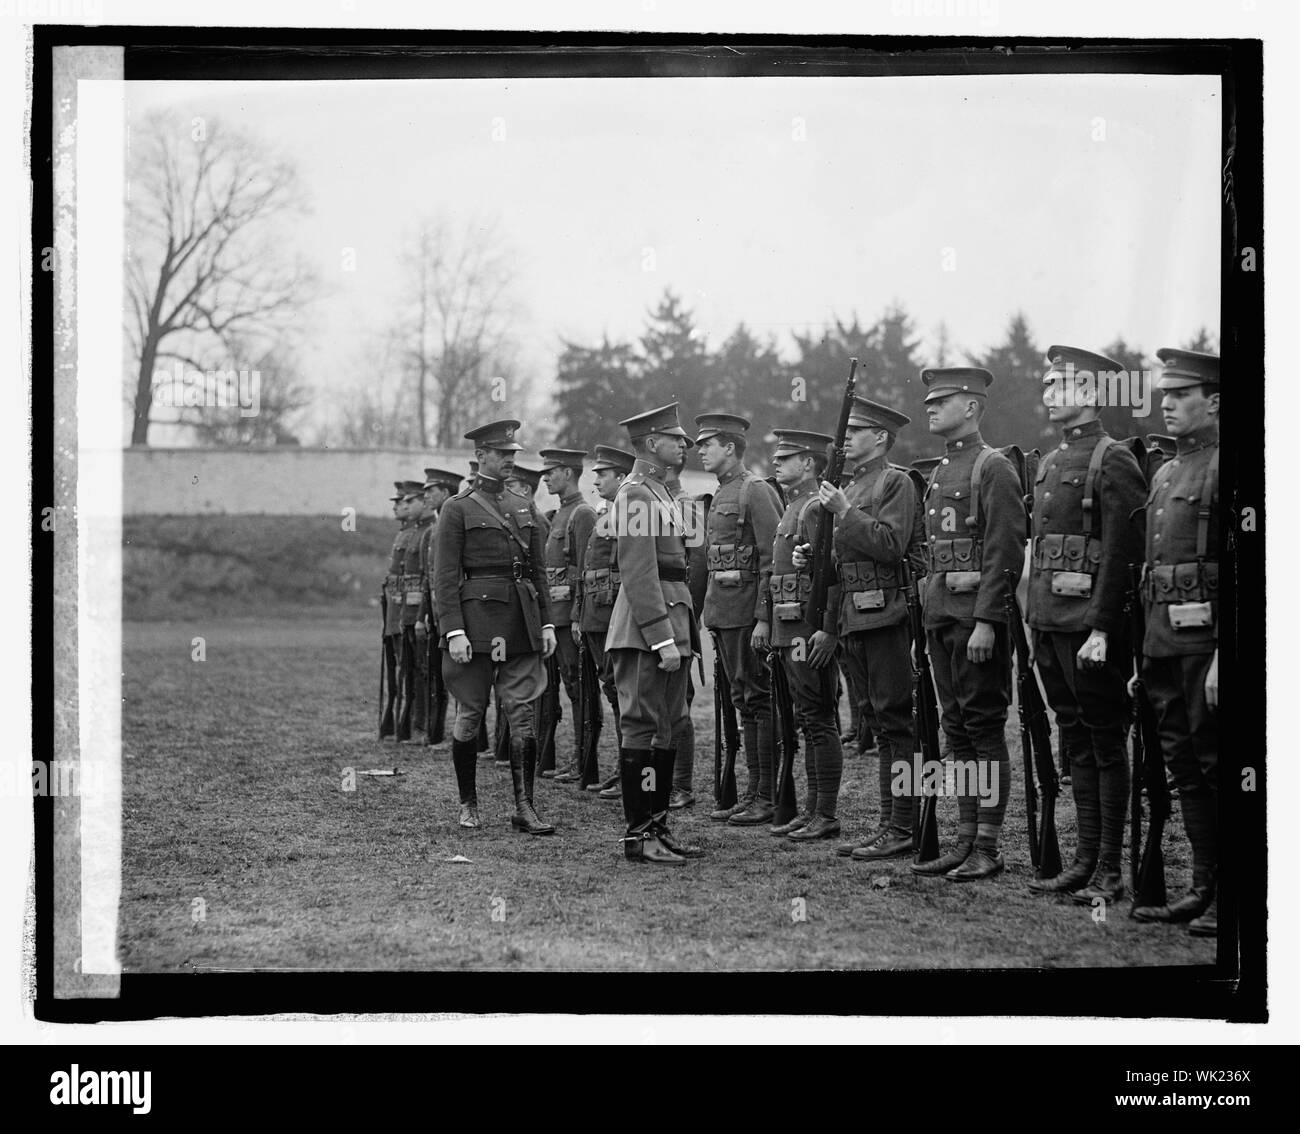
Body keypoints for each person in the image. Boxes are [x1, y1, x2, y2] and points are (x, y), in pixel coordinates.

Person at [1024, 347, 1147, 901]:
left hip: (1091, 630)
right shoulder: (1050, 463)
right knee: (1074, 739)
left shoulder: (1113, 458)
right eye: (1048, 386)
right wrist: (1036, 626)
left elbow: (1123, 552)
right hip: (1050, 626)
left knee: (1103, 742)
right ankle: (1084, 859)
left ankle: (1111, 871)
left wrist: (1102, 629)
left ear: (1093, 395)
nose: (1050, 395)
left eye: (1062, 387)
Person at [910, 367, 1026, 881]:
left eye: (943, 401)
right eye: (930, 401)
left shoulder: (992, 467)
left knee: (981, 727)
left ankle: (988, 844)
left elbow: (1005, 552)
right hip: (941, 620)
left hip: (975, 623)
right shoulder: (940, 471)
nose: (931, 408)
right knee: (955, 728)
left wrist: (987, 621)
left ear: (972, 407)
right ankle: (963, 838)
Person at [798, 399, 925, 861]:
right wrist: (814, 558)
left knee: (896, 722)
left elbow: (891, 546)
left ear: (881, 438)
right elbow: (839, 568)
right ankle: (889, 824)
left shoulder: (897, 483)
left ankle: (902, 826)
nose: (847, 437)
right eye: (846, 429)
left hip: (887, 617)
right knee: (876, 719)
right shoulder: (848, 486)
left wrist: (846, 511)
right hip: (853, 618)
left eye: (858, 430)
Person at [1132, 349, 1220, 937]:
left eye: (1181, 395)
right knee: (1184, 767)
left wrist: (1224, 657)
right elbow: (1152, 573)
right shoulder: (1165, 473)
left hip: (1208, 647)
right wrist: (1145, 654)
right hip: (1165, 644)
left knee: (1218, 764)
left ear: (1214, 402)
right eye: (1164, 395)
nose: (1166, 404)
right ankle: (1204, 887)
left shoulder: (1230, 465)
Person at [433, 419, 558, 834]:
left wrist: (547, 625)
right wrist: (453, 631)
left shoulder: (524, 506)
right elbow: (445, 577)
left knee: (522, 715)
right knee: (470, 713)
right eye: (502, 454)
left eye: (513, 454)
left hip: (521, 622)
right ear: (480, 456)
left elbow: (538, 572)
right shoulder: (457, 508)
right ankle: (468, 804)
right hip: (475, 624)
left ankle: (525, 806)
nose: (510, 460)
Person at [606, 403, 703, 863]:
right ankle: (638, 835)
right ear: (650, 444)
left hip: (672, 619)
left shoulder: (661, 493)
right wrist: (661, 636)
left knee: (667, 727)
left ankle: (658, 828)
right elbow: (639, 571)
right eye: (675, 437)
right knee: (642, 727)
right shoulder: (636, 495)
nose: (684, 444)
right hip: (647, 627)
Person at [694, 412, 782, 825]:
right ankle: (752, 793)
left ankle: (766, 796)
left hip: (748, 616)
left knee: (757, 700)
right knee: (742, 701)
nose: (700, 451)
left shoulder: (755, 491)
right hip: (725, 615)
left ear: (730, 447)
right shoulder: (722, 494)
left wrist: (764, 618)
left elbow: (771, 560)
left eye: (707, 444)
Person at [759, 429, 844, 840]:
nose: (776, 462)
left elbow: (831, 577)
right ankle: (812, 811)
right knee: (807, 719)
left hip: (806, 632)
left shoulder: (813, 508)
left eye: (786, 457)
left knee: (818, 718)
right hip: (789, 628)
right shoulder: (794, 507)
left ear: (809, 464)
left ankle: (824, 813)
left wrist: (828, 631)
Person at [573, 445, 635, 798]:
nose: (595, 480)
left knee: (622, 693)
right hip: (596, 616)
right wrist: (579, 616)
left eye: (602, 474)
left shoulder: (630, 515)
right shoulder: (604, 514)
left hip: (615, 616)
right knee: (611, 691)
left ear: (622, 477)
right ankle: (622, 768)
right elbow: (587, 570)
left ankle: (628, 769)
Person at [538, 449, 598, 783]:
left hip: (571, 617)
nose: (545, 477)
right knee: (571, 687)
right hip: (557, 616)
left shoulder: (582, 513)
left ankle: (584, 761)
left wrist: (577, 616)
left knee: (580, 687)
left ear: (569, 473)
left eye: (551, 472)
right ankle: (578, 759)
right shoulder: (560, 513)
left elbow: (584, 571)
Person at [415, 467, 463, 745]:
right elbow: (428, 579)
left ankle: (462, 736)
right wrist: (425, 615)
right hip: (436, 612)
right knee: (435, 673)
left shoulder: (453, 527)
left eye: (431, 491)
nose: (426, 496)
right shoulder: (431, 533)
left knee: (457, 677)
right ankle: (435, 732)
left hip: (454, 613)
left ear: (445, 493)